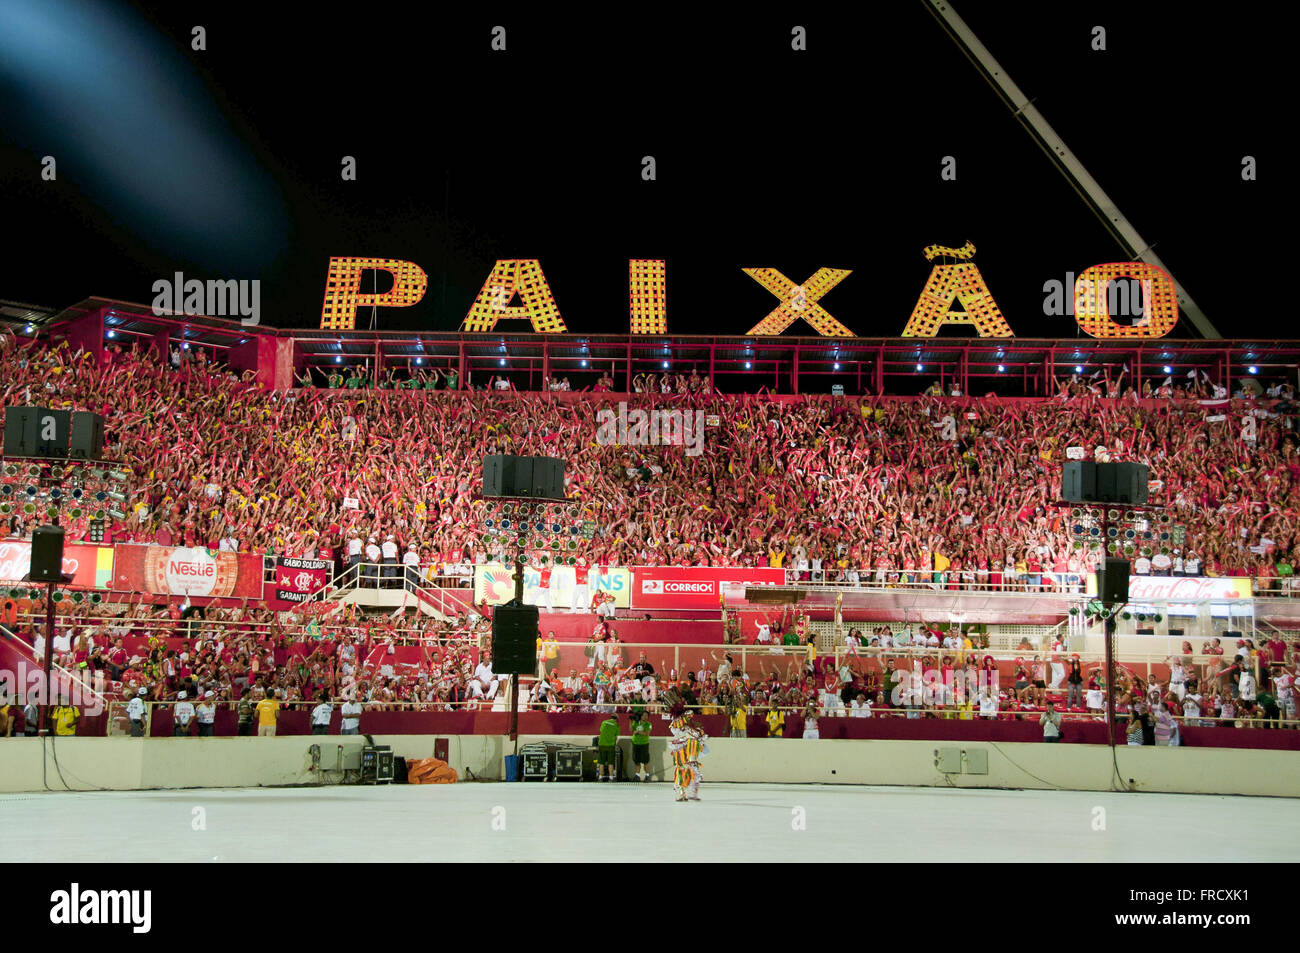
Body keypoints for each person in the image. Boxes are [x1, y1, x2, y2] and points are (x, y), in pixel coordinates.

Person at [596, 712, 621, 781]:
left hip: (602, 744)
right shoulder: (616, 725)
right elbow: (616, 737)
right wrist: (614, 744)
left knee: (601, 762)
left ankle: (600, 777)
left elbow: (601, 730)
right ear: (616, 719)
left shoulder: (604, 722)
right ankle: (611, 777)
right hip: (610, 745)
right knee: (611, 762)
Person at [630, 709, 652, 782]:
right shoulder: (636, 723)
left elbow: (646, 733)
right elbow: (631, 730)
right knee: (637, 761)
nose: (645, 717)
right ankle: (637, 776)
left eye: (647, 716)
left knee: (645, 761)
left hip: (644, 744)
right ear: (641, 716)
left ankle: (647, 776)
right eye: (644, 715)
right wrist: (630, 721)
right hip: (635, 744)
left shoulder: (649, 724)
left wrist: (638, 732)